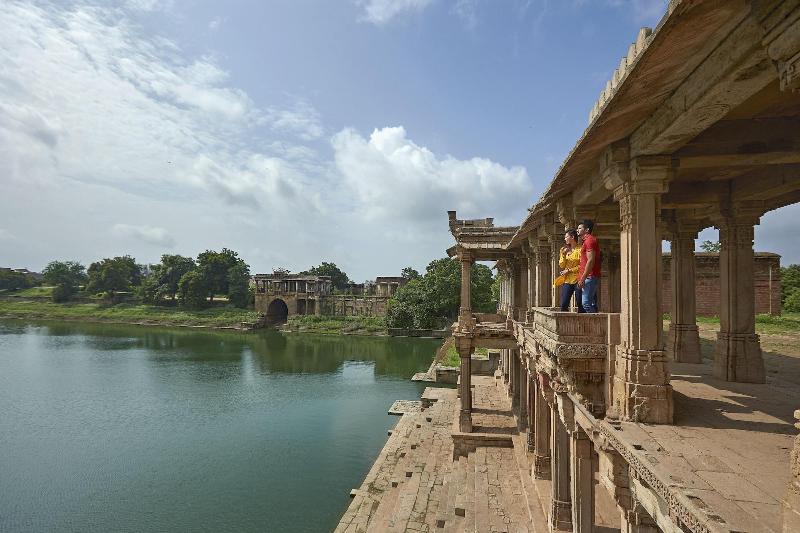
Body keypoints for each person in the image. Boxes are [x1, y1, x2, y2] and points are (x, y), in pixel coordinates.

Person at [577, 219, 601, 313]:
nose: (577, 230)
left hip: (590, 276)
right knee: (589, 303)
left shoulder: (590, 241)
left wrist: (583, 278)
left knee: (586, 303)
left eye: (580, 228)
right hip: (587, 276)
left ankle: (598, 326)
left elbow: (591, 261)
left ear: (586, 230)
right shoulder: (586, 241)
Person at [558, 229, 584, 312]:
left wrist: (569, 270)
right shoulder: (563, 250)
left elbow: (582, 266)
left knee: (580, 303)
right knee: (563, 304)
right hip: (567, 280)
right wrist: (563, 254)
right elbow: (562, 265)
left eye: (566, 237)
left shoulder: (580, 249)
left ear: (572, 237)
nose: (565, 239)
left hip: (578, 279)